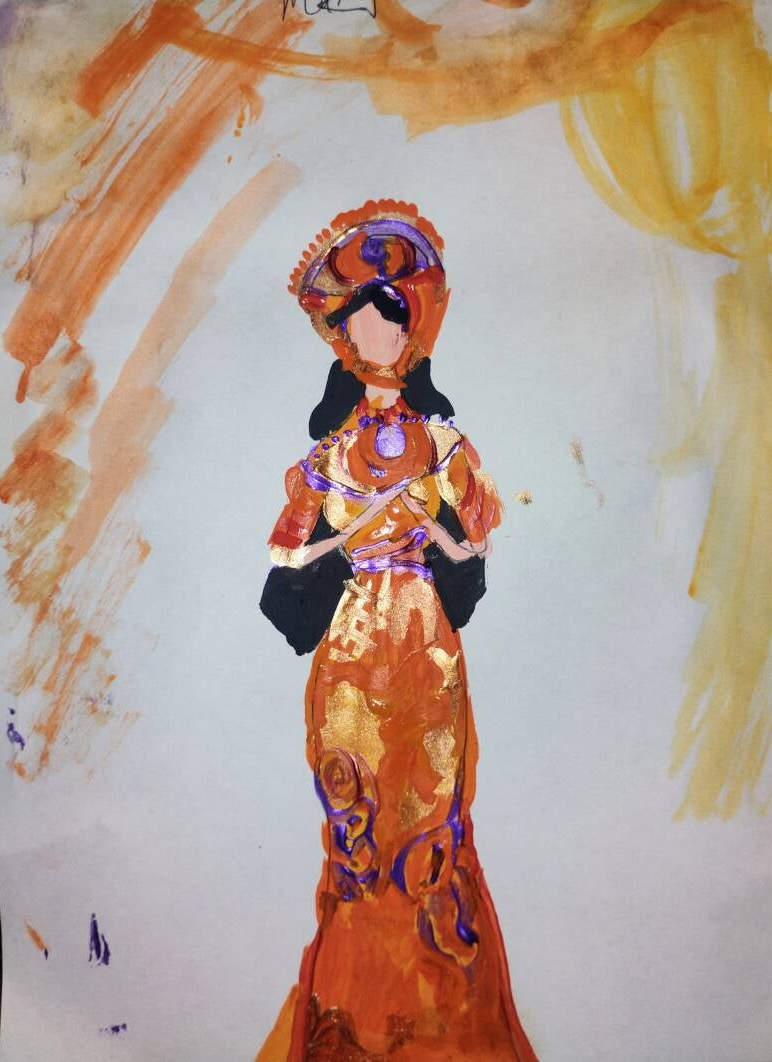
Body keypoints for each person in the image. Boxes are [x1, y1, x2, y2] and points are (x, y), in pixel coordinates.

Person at [257, 201, 537, 1062]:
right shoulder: (323, 458)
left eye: (391, 313)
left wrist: (438, 537)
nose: (378, 330)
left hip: (425, 648)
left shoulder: (445, 445)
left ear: (414, 325)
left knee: (430, 831)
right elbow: (285, 560)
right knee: (356, 832)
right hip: (349, 649)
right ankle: (348, 1022)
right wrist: (344, 546)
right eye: (362, 316)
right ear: (343, 333)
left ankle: (443, 1027)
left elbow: (473, 549)